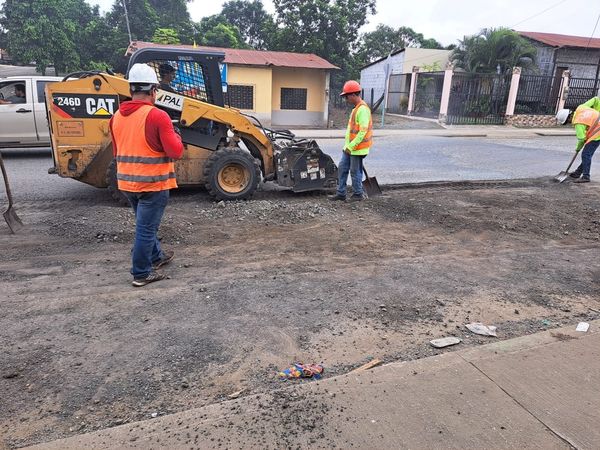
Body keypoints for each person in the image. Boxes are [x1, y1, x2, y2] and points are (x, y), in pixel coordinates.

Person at [109, 63, 184, 287]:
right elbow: (176, 152)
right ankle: (141, 273)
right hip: (152, 184)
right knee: (146, 229)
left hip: (127, 183)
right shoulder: (157, 116)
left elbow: (117, 151)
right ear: (153, 90)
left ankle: (157, 256)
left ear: (131, 89)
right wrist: (176, 135)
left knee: (145, 225)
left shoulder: (116, 117)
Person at [329, 80, 373, 202]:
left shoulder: (362, 110)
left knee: (355, 171)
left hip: (358, 149)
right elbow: (351, 131)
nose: (346, 99)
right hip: (349, 148)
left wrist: (352, 146)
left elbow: (363, 131)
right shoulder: (355, 109)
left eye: (347, 96)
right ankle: (341, 193)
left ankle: (358, 194)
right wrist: (347, 146)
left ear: (353, 94)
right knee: (342, 168)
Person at [557, 105, 600, 184]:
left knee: (586, 154)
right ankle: (578, 173)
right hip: (597, 129)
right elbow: (595, 100)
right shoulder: (580, 108)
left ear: (568, 118)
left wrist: (577, 149)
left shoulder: (578, 122)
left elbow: (581, 139)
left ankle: (586, 177)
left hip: (597, 133)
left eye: (567, 122)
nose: (569, 123)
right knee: (587, 155)